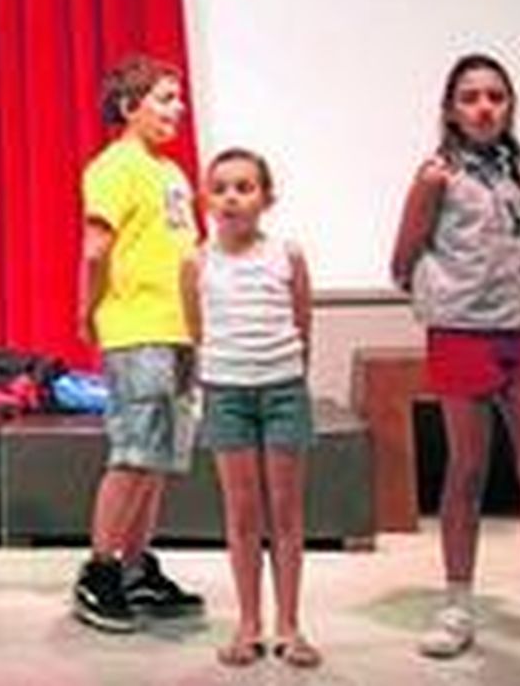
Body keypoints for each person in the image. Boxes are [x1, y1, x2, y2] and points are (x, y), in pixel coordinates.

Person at [391, 52, 520, 658]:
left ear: (509, 106)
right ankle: (457, 606)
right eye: (470, 97)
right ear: (451, 111)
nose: (484, 106)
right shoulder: (437, 176)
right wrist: (444, 302)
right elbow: (402, 257)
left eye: (495, 96)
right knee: (467, 470)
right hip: (461, 335)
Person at [72, 54, 206, 632]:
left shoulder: (171, 173)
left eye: (179, 99)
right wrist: (87, 309)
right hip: (138, 329)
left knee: (160, 459)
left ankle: (136, 566)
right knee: (133, 453)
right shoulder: (115, 166)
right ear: (130, 107)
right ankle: (99, 571)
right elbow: (96, 247)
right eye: (164, 98)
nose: (177, 109)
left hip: (179, 330)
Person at [181, 149, 319, 667]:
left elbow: (302, 322)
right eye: (220, 188)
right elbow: (197, 329)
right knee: (242, 514)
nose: (232, 197)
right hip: (227, 394)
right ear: (207, 200)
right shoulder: (196, 261)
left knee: (285, 512)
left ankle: (289, 625)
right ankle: (248, 624)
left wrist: (289, 375)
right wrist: (216, 380)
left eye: (244, 187)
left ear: (266, 198)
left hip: (282, 391)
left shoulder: (288, 254)